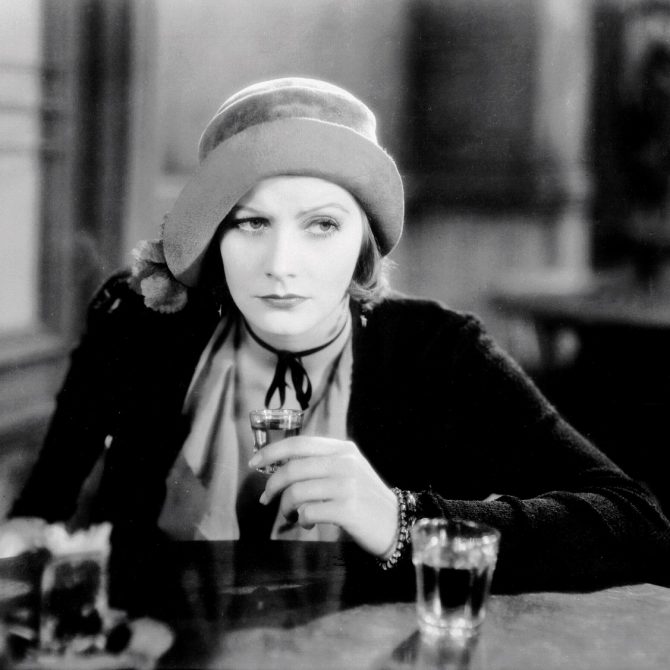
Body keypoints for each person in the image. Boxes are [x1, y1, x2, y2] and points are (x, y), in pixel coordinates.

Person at [9, 77, 670, 590]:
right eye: (250, 223)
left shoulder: (436, 351)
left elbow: (638, 523)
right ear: (212, 239)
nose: (281, 265)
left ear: (363, 245)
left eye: (322, 225)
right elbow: (40, 511)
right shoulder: (141, 323)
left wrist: (401, 520)